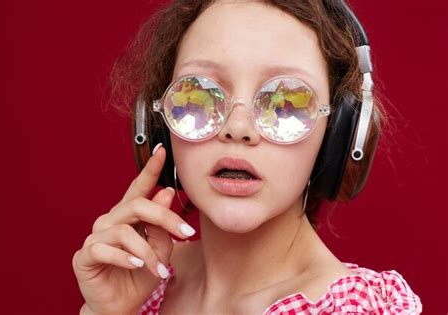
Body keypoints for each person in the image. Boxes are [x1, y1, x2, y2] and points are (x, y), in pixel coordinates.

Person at [72, 0, 423, 314]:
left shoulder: (355, 309)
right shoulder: (137, 276)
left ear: (338, 135)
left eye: (286, 103)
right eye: (200, 95)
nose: (237, 128)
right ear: (157, 124)